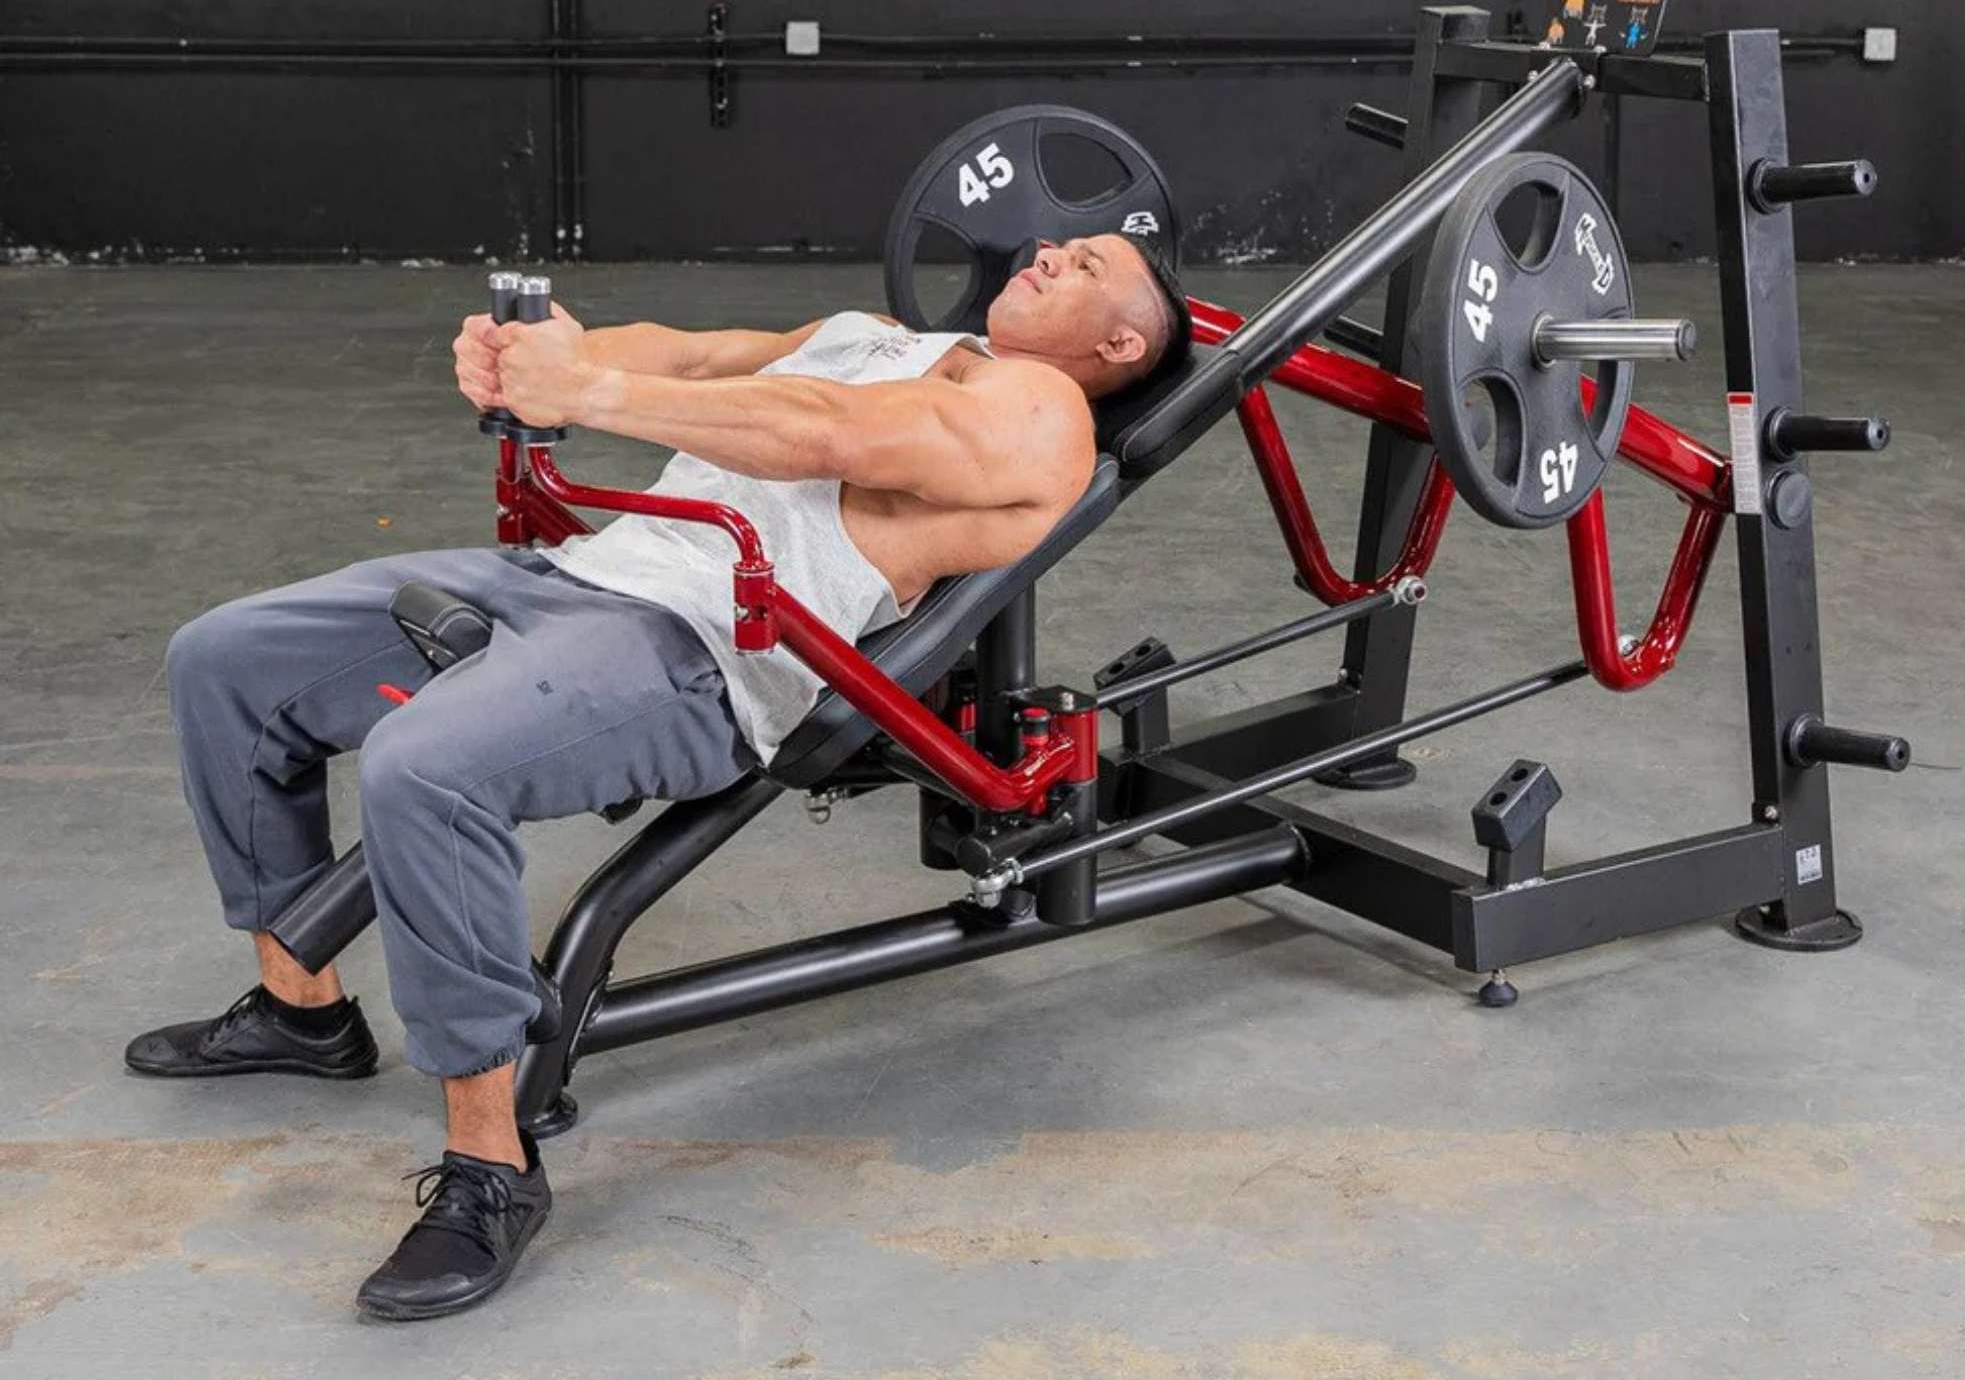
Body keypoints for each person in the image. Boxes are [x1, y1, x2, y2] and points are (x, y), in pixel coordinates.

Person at [128, 233, 1193, 1321]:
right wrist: (540, 350)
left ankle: (491, 1168)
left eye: (1093, 261)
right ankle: (302, 1012)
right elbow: (687, 356)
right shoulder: (875, 336)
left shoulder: (1040, 411)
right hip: (575, 577)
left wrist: (587, 388)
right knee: (225, 657)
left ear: (1119, 339)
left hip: (703, 657)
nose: (1054, 247)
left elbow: (826, 432)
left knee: (426, 764)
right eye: (1062, 241)